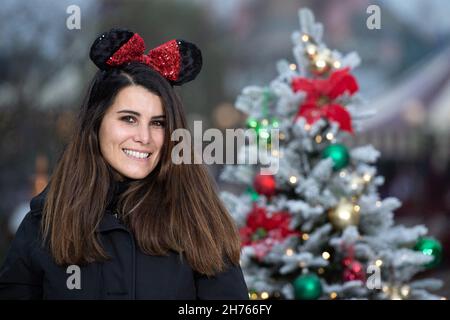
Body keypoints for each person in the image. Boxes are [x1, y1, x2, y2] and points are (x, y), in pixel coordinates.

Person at [0, 28, 249, 299]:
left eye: (158, 123)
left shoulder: (199, 221)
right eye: (128, 119)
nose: (144, 137)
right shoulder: (43, 225)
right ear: (96, 124)